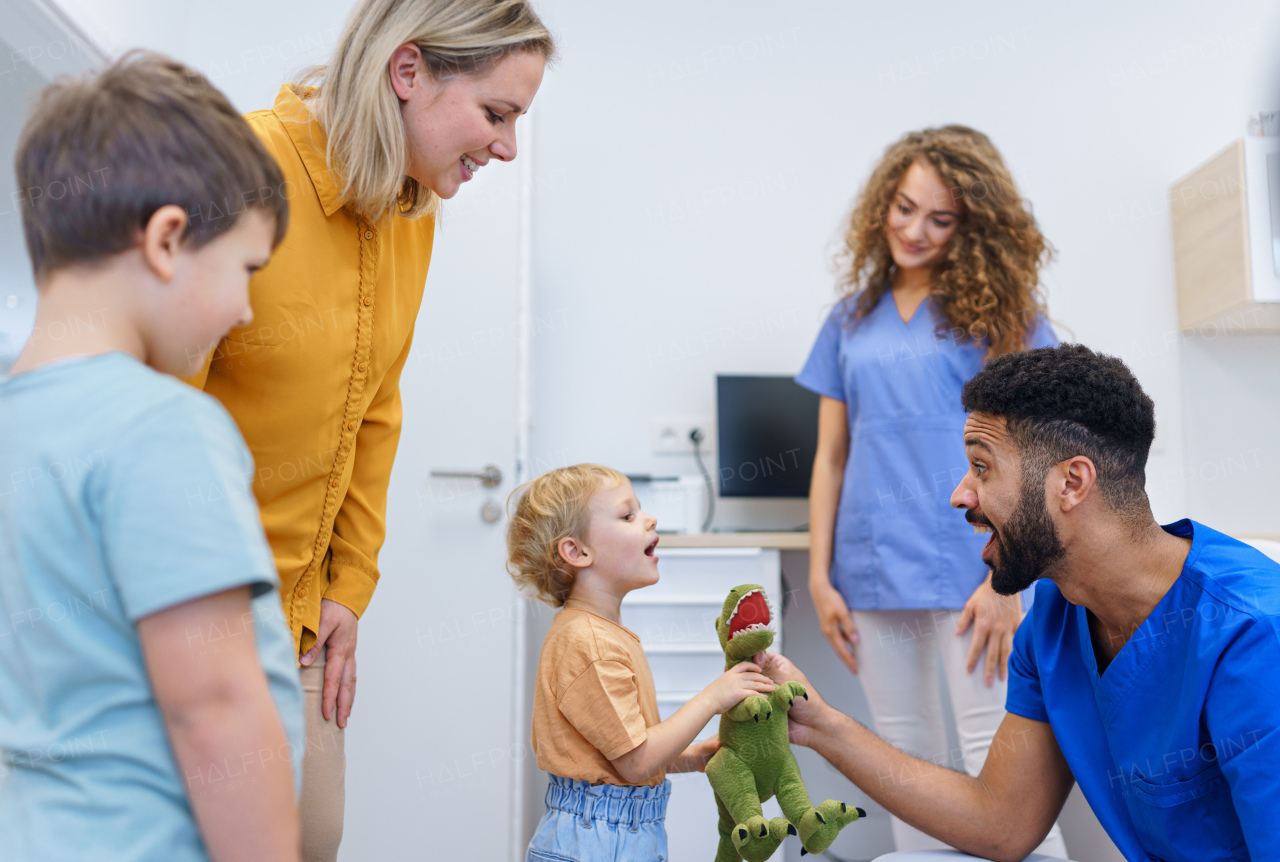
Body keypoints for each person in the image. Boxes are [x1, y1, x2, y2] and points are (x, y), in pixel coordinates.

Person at [181, 1, 555, 857]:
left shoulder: (410, 213)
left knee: (314, 841)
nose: (507, 146)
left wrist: (347, 587)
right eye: (496, 114)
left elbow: (375, 407)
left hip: (306, 623)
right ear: (409, 71)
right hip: (199, 620)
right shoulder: (237, 175)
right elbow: (156, 425)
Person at [763, 343, 1280, 860]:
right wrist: (823, 727)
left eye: (982, 468)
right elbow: (1002, 822)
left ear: (1071, 483)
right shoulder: (1055, 620)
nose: (960, 495)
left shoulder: (1254, 636)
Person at [0, 52, 304, 861]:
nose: (244, 311)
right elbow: (214, 708)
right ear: (168, 239)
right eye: (245, 269)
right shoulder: (162, 427)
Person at [796, 125, 1065, 853]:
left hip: (977, 570)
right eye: (905, 208)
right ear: (884, 202)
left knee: (996, 767)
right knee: (904, 763)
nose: (915, 230)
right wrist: (820, 577)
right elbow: (831, 457)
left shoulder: (1003, 316)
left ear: (972, 227)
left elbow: (1040, 449)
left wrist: (1010, 582)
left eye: (940, 218)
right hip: (873, 565)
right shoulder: (849, 319)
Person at [506, 464, 777, 862]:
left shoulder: (602, 633)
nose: (649, 519)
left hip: (617, 835)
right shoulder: (589, 643)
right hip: (597, 845)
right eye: (627, 515)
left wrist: (693, 756)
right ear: (577, 552)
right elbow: (636, 763)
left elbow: (618, 755)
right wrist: (713, 698)